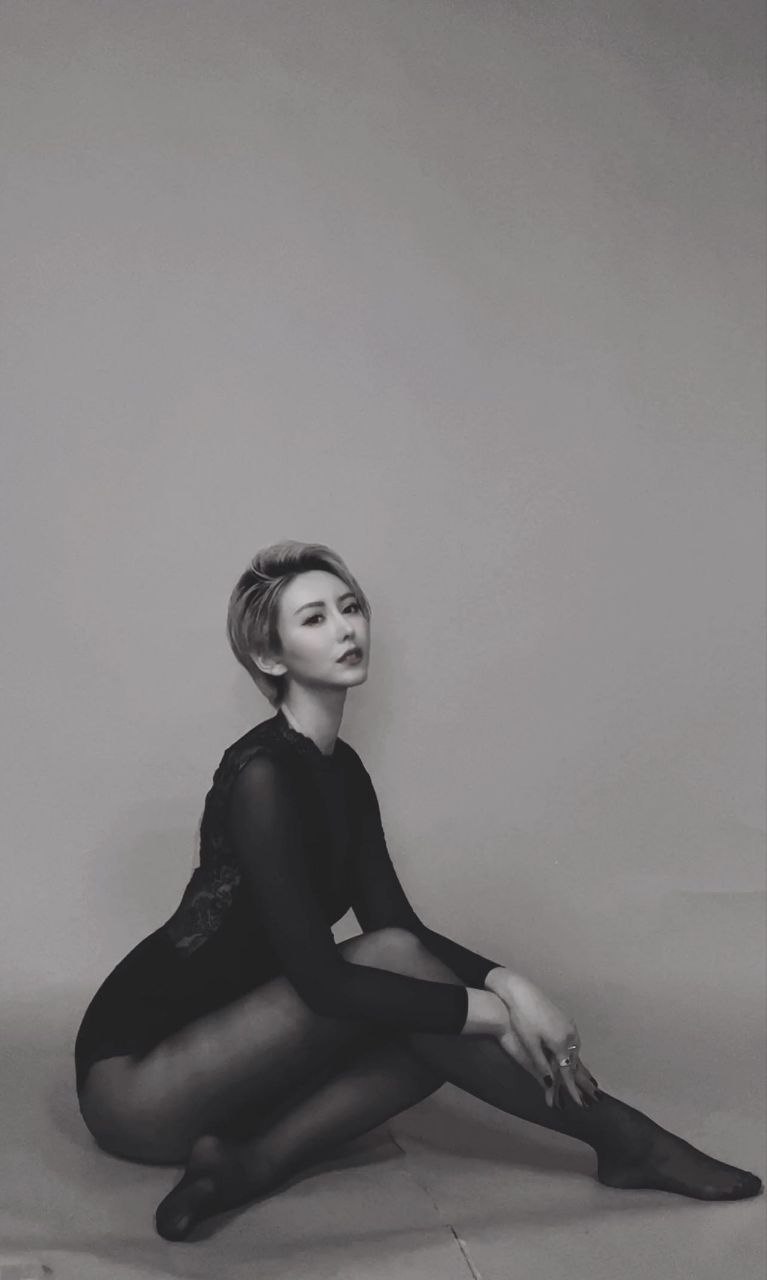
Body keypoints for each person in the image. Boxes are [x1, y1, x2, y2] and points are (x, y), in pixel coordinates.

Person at [74, 540, 763, 1242]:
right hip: (140, 1083)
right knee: (415, 989)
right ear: (269, 656)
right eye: (314, 618)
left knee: (421, 1008)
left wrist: (511, 985)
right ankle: (625, 1139)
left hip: (239, 1062)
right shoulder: (262, 775)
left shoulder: (343, 772)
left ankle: (250, 1163)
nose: (345, 629)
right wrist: (488, 1013)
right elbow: (325, 981)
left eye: (350, 608)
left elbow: (397, 926)